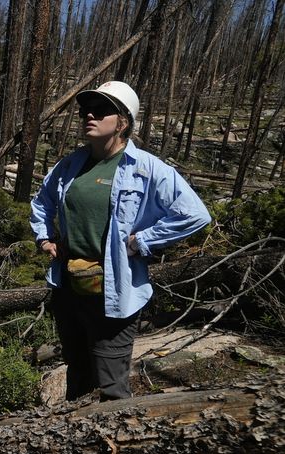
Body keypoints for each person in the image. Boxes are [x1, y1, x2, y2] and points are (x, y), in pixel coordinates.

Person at [30, 81, 211, 401]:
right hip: (69, 287)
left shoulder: (146, 168)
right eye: (86, 110)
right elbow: (42, 201)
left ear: (123, 121)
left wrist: (142, 241)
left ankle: (119, 439)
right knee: (78, 374)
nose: (89, 115)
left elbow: (194, 214)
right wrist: (45, 238)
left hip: (114, 291)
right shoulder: (71, 164)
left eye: (101, 110)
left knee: (112, 384)